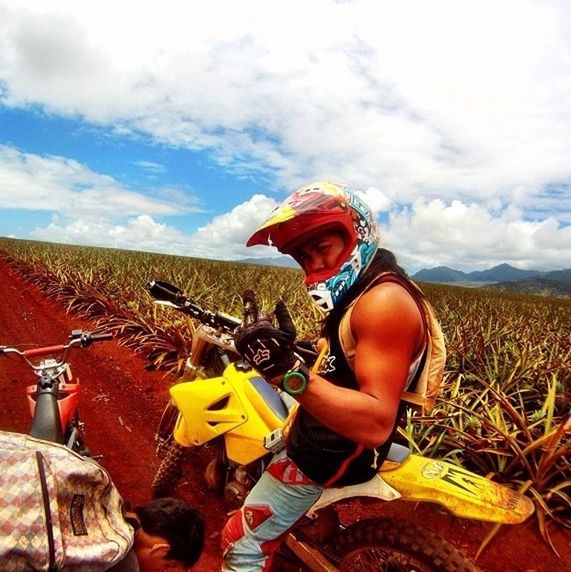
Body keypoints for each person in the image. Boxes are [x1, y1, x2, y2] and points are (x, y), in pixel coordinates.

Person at [222, 181, 431, 571]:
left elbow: (373, 422)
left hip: (326, 453)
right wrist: (301, 351)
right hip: (323, 429)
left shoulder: (383, 303)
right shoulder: (367, 289)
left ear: (356, 235)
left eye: (322, 248)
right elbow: (348, 361)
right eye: (303, 257)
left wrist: (287, 372)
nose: (314, 265)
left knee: (241, 541)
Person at [110, 497, 204, 571]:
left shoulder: (113, 501)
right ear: (160, 549)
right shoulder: (124, 565)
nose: (161, 571)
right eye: (167, 566)